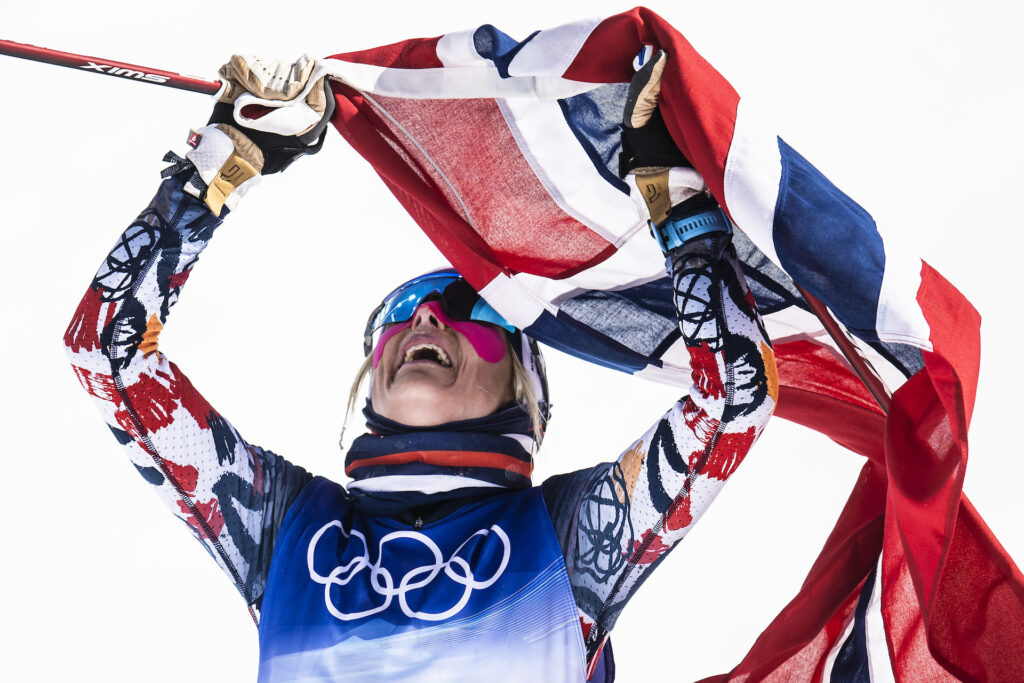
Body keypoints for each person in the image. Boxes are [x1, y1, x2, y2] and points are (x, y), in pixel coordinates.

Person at [64, 52, 777, 681]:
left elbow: (733, 399)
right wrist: (229, 158)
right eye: (399, 310)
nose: (426, 317)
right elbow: (104, 351)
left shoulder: (563, 540)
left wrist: (673, 194)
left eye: (473, 306)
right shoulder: (287, 531)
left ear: (528, 398)